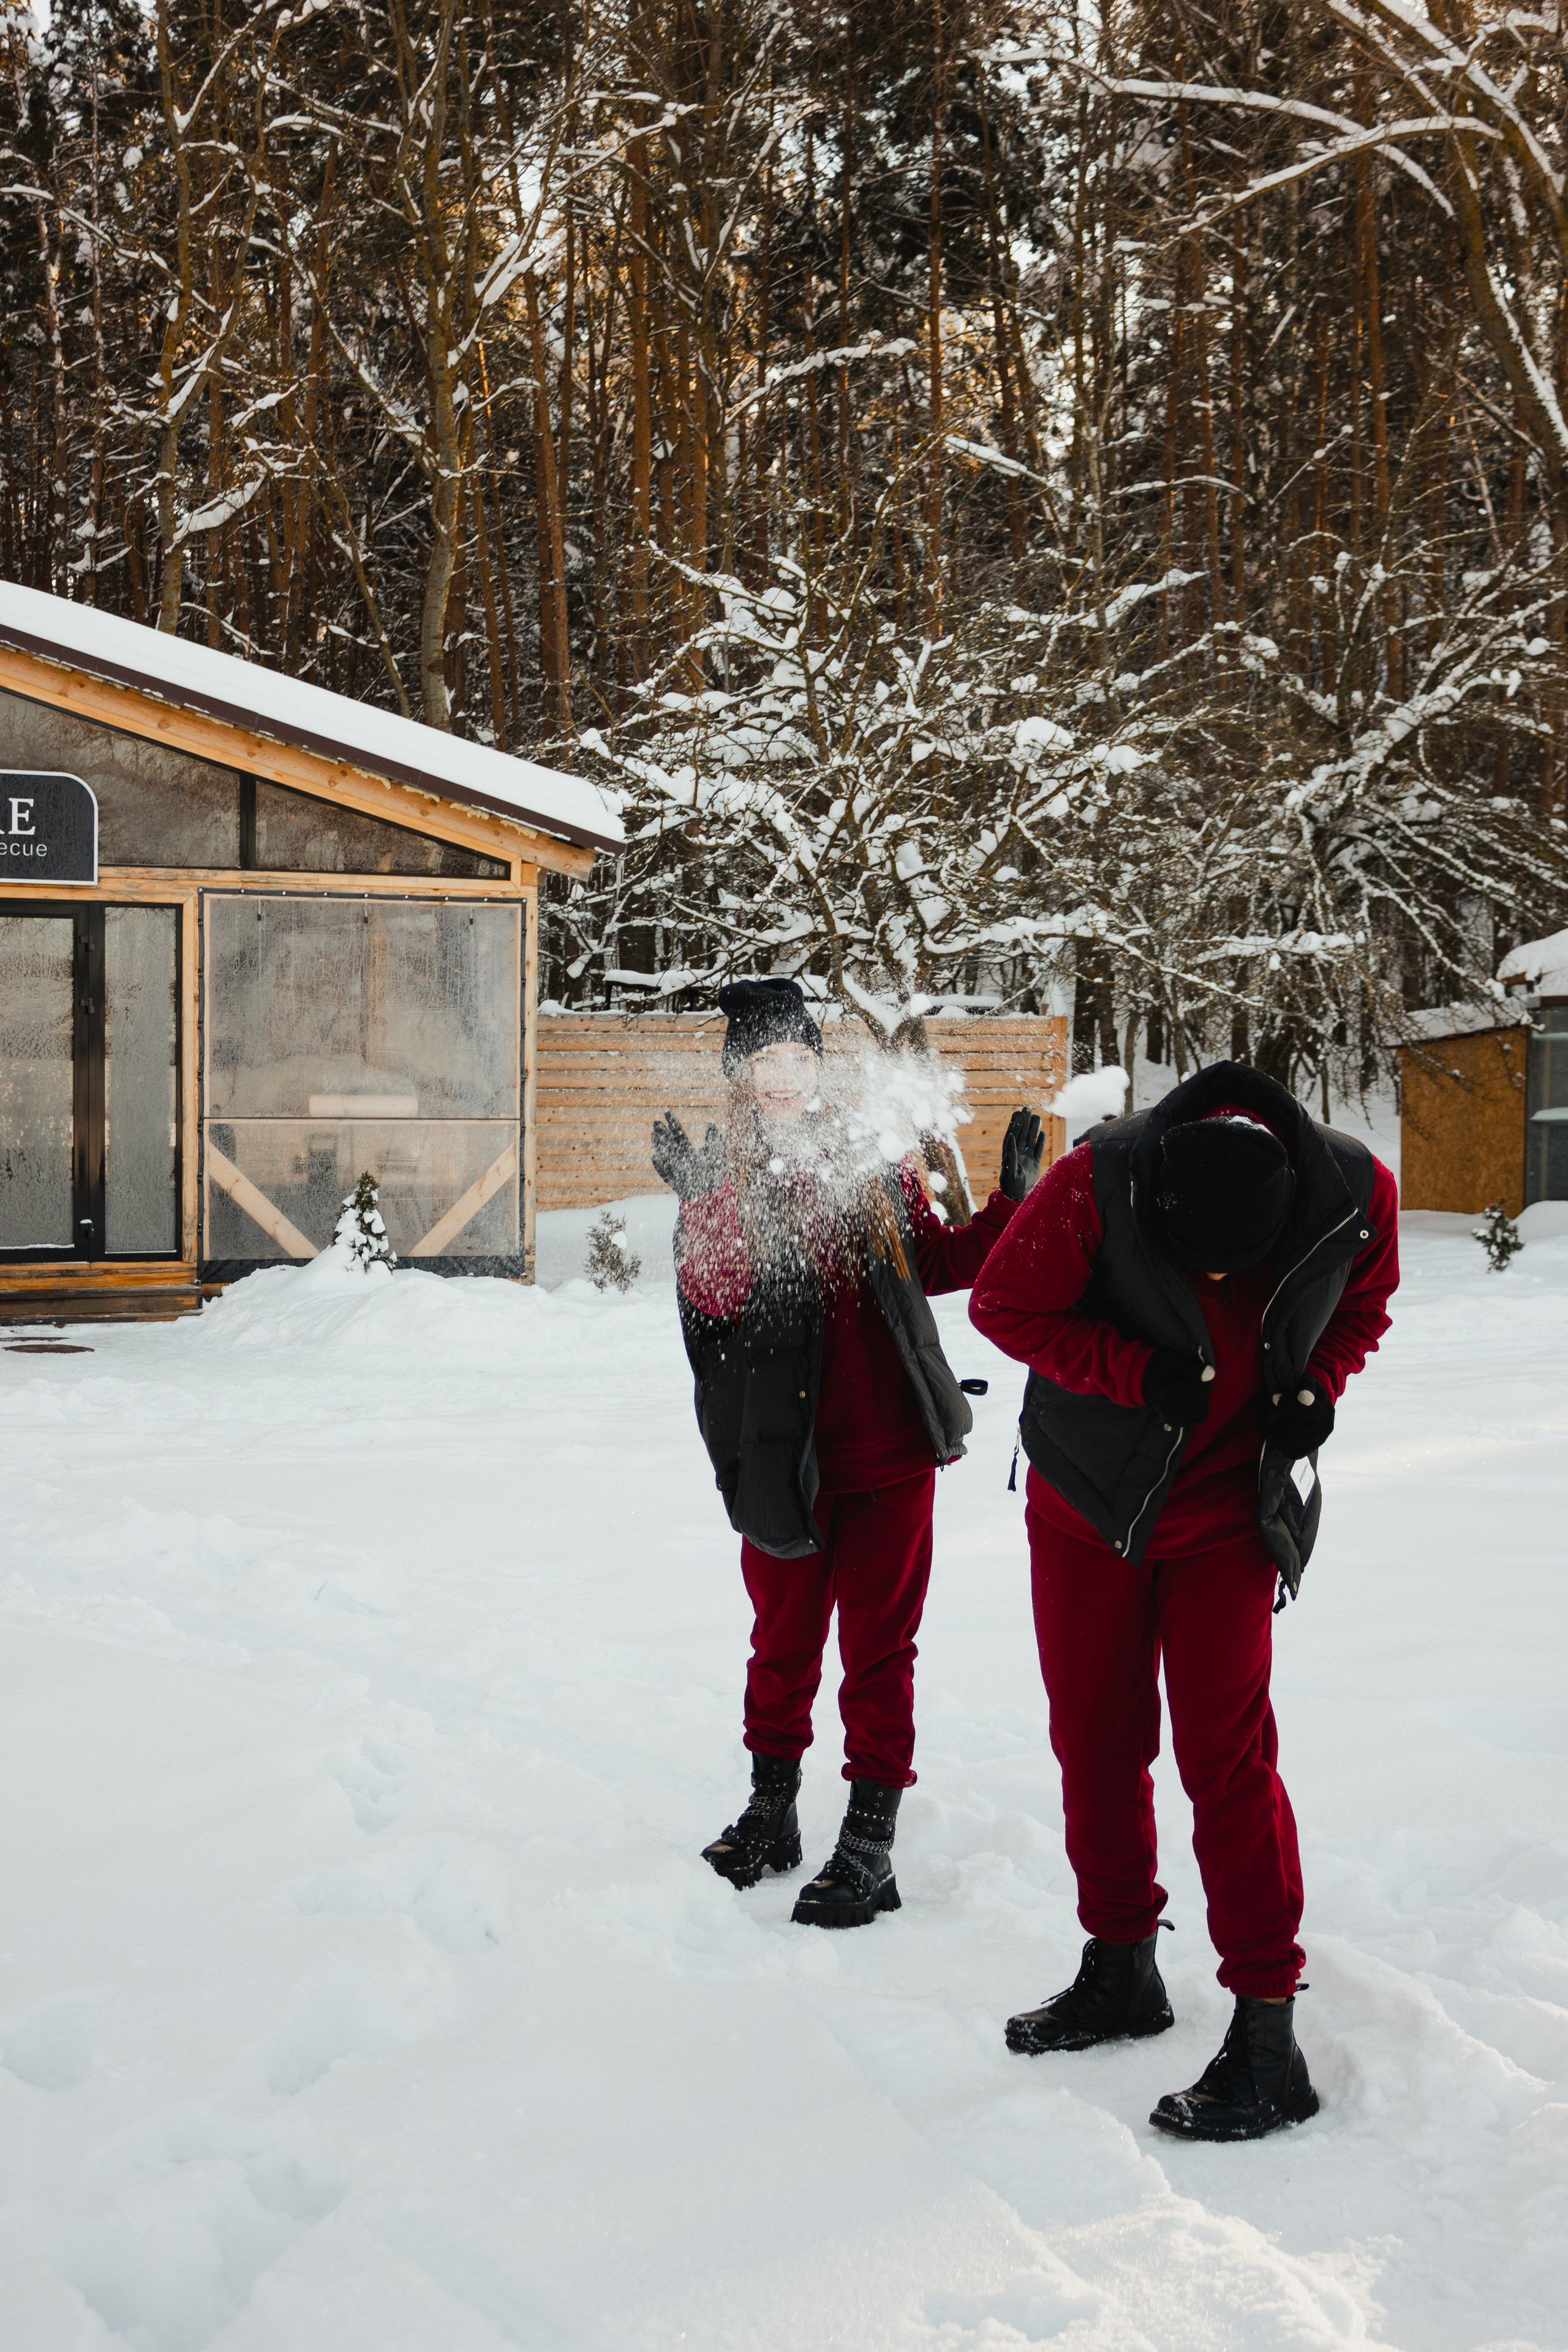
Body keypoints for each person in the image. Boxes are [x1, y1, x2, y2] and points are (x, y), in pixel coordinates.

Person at [969, 1060, 1398, 2139]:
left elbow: (1366, 1302)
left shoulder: (1352, 1192)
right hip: (1089, 1499)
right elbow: (1002, 1305)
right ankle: (1121, 1970)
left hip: (1226, 1520)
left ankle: (1266, 2033)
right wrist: (1131, 1371)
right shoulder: (1094, 1180)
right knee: (1097, 1738)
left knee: (1227, 1755)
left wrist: (1315, 1385)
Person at [654, 978, 1042, 1928]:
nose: (783, 1079)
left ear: (818, 1066)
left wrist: (1013, 1204)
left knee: (879, 1652)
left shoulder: (871, 1161)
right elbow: (717, 1300)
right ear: (738, 1079)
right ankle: (772, 1812)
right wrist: (703, 1204)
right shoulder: (727, 1180)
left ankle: (870, 1840)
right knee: (781, 1645)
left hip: (890, 1451)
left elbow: (940, 1265)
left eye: (798, 1059)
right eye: (763, 1064)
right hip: (781, 1461)